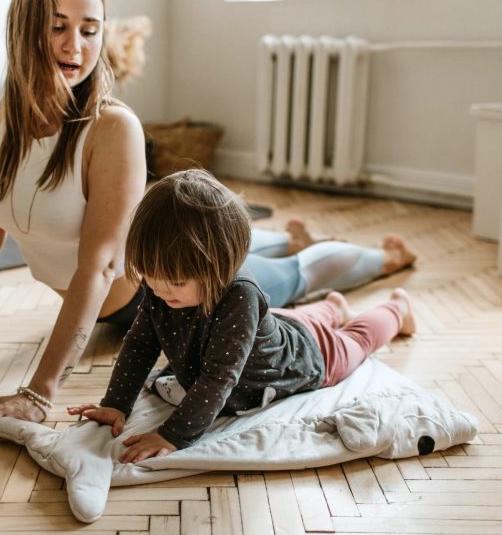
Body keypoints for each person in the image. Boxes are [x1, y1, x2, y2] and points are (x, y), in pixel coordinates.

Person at [0, 0, 415, 442]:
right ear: (24, 28)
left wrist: (39, 393)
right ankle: (294, 258)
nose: (76, 45)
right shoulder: (9, 119)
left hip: (179, 292)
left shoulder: (111, 127)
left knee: (292, 275)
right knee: (273, 264)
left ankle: (382, 262)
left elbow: (98, 266)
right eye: (58, 26)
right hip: (151, 282)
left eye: (90, 29)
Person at [68, 170, 415, 462]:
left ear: (219, 266)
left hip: (307, 356)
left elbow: (219, 378)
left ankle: (397, 309)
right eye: (150, 277)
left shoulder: (240, 296)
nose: (159, 290)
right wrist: (116, 403)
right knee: (294, 321)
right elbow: (141, 344)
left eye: (174, 282)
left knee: (356, 339)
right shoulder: (163, 287)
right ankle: (334, 306)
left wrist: (172, 435)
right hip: (276, 327)